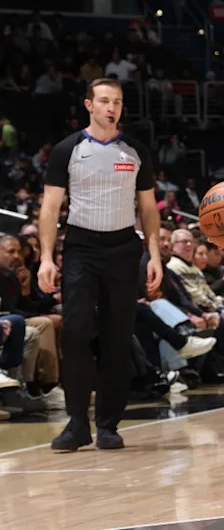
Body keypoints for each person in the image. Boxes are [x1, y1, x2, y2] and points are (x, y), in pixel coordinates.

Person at [37, 77, 163, 451]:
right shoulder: (67, 149)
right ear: (89, 105)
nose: (112, 108)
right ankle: (77, 423)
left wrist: (154, 255)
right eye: (105, 101)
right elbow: (49, 208)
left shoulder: (136, 150)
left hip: (124, 249)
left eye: (119, 102)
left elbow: (149, 209)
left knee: (117, 337)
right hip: (81, 248)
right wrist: (46, 257)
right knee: (75, 332)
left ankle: (108, 423)